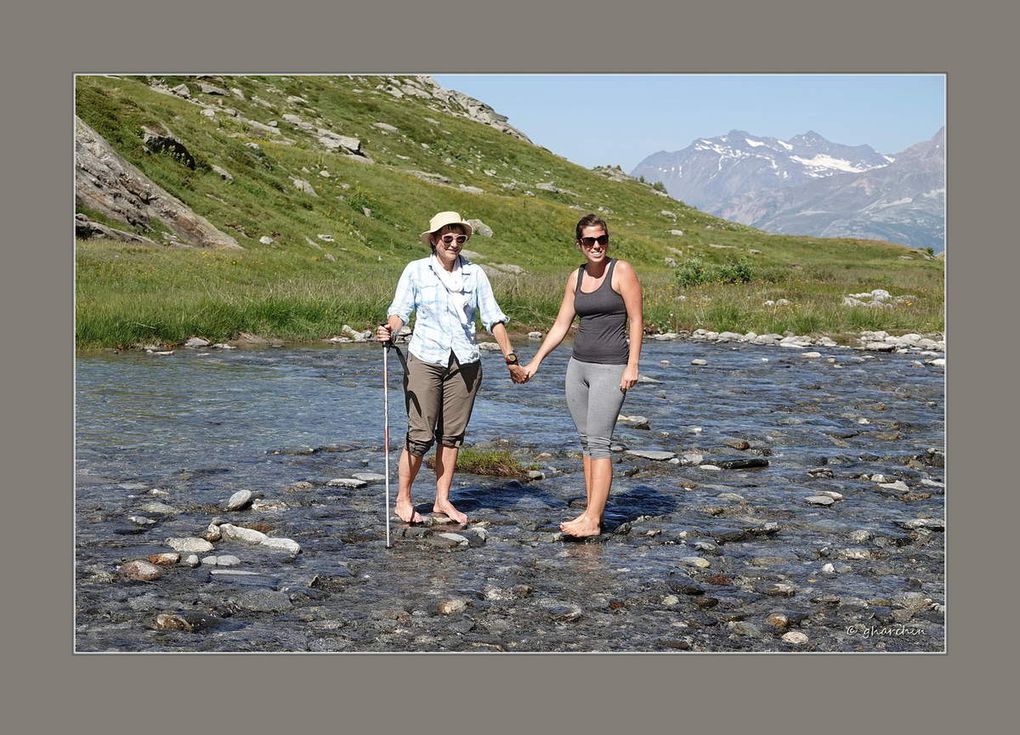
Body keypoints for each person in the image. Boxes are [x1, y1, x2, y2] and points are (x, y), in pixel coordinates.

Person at [376, 211, 526, 525]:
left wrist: (510, 359)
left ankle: (443, 500)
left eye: (460, 238)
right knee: (420, 434)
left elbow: (493, 318)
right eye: (448, 238)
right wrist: (390, 329)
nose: (454, 244)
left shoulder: (475, 274)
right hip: (426, 358)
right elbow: (400, 310)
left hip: (466, 362)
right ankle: (404, 498)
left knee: (451, 437)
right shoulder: (416, 271)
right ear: (434, 240)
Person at [521, 214, 643, 537]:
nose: (597, 246)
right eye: (589, 241)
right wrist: (535, 361)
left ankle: (592, 519)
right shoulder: (575, 278)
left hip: (611, 367)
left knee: (600, 442)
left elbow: (636, 319)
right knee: (587, 443)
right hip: (578, 368)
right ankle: (592, 513)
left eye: (602, 239)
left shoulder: (622, 271)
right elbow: (561, 325)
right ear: (579, 244)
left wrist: (633, 364)